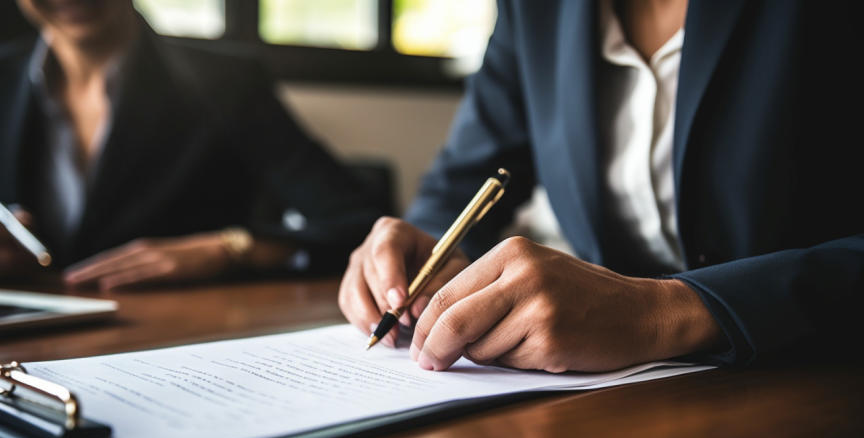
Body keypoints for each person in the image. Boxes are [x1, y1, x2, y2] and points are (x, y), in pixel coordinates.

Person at [339, 0, 863, 372]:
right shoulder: (535, 10)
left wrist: (660, 312)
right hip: (613, 399)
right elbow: (463, 184)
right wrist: (420, 252)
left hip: (816, 382)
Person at [0, 0, 380, 289]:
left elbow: (357, 220)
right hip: (18, 355)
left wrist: (230, 249)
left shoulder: (226, 81)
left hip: (176, 349)